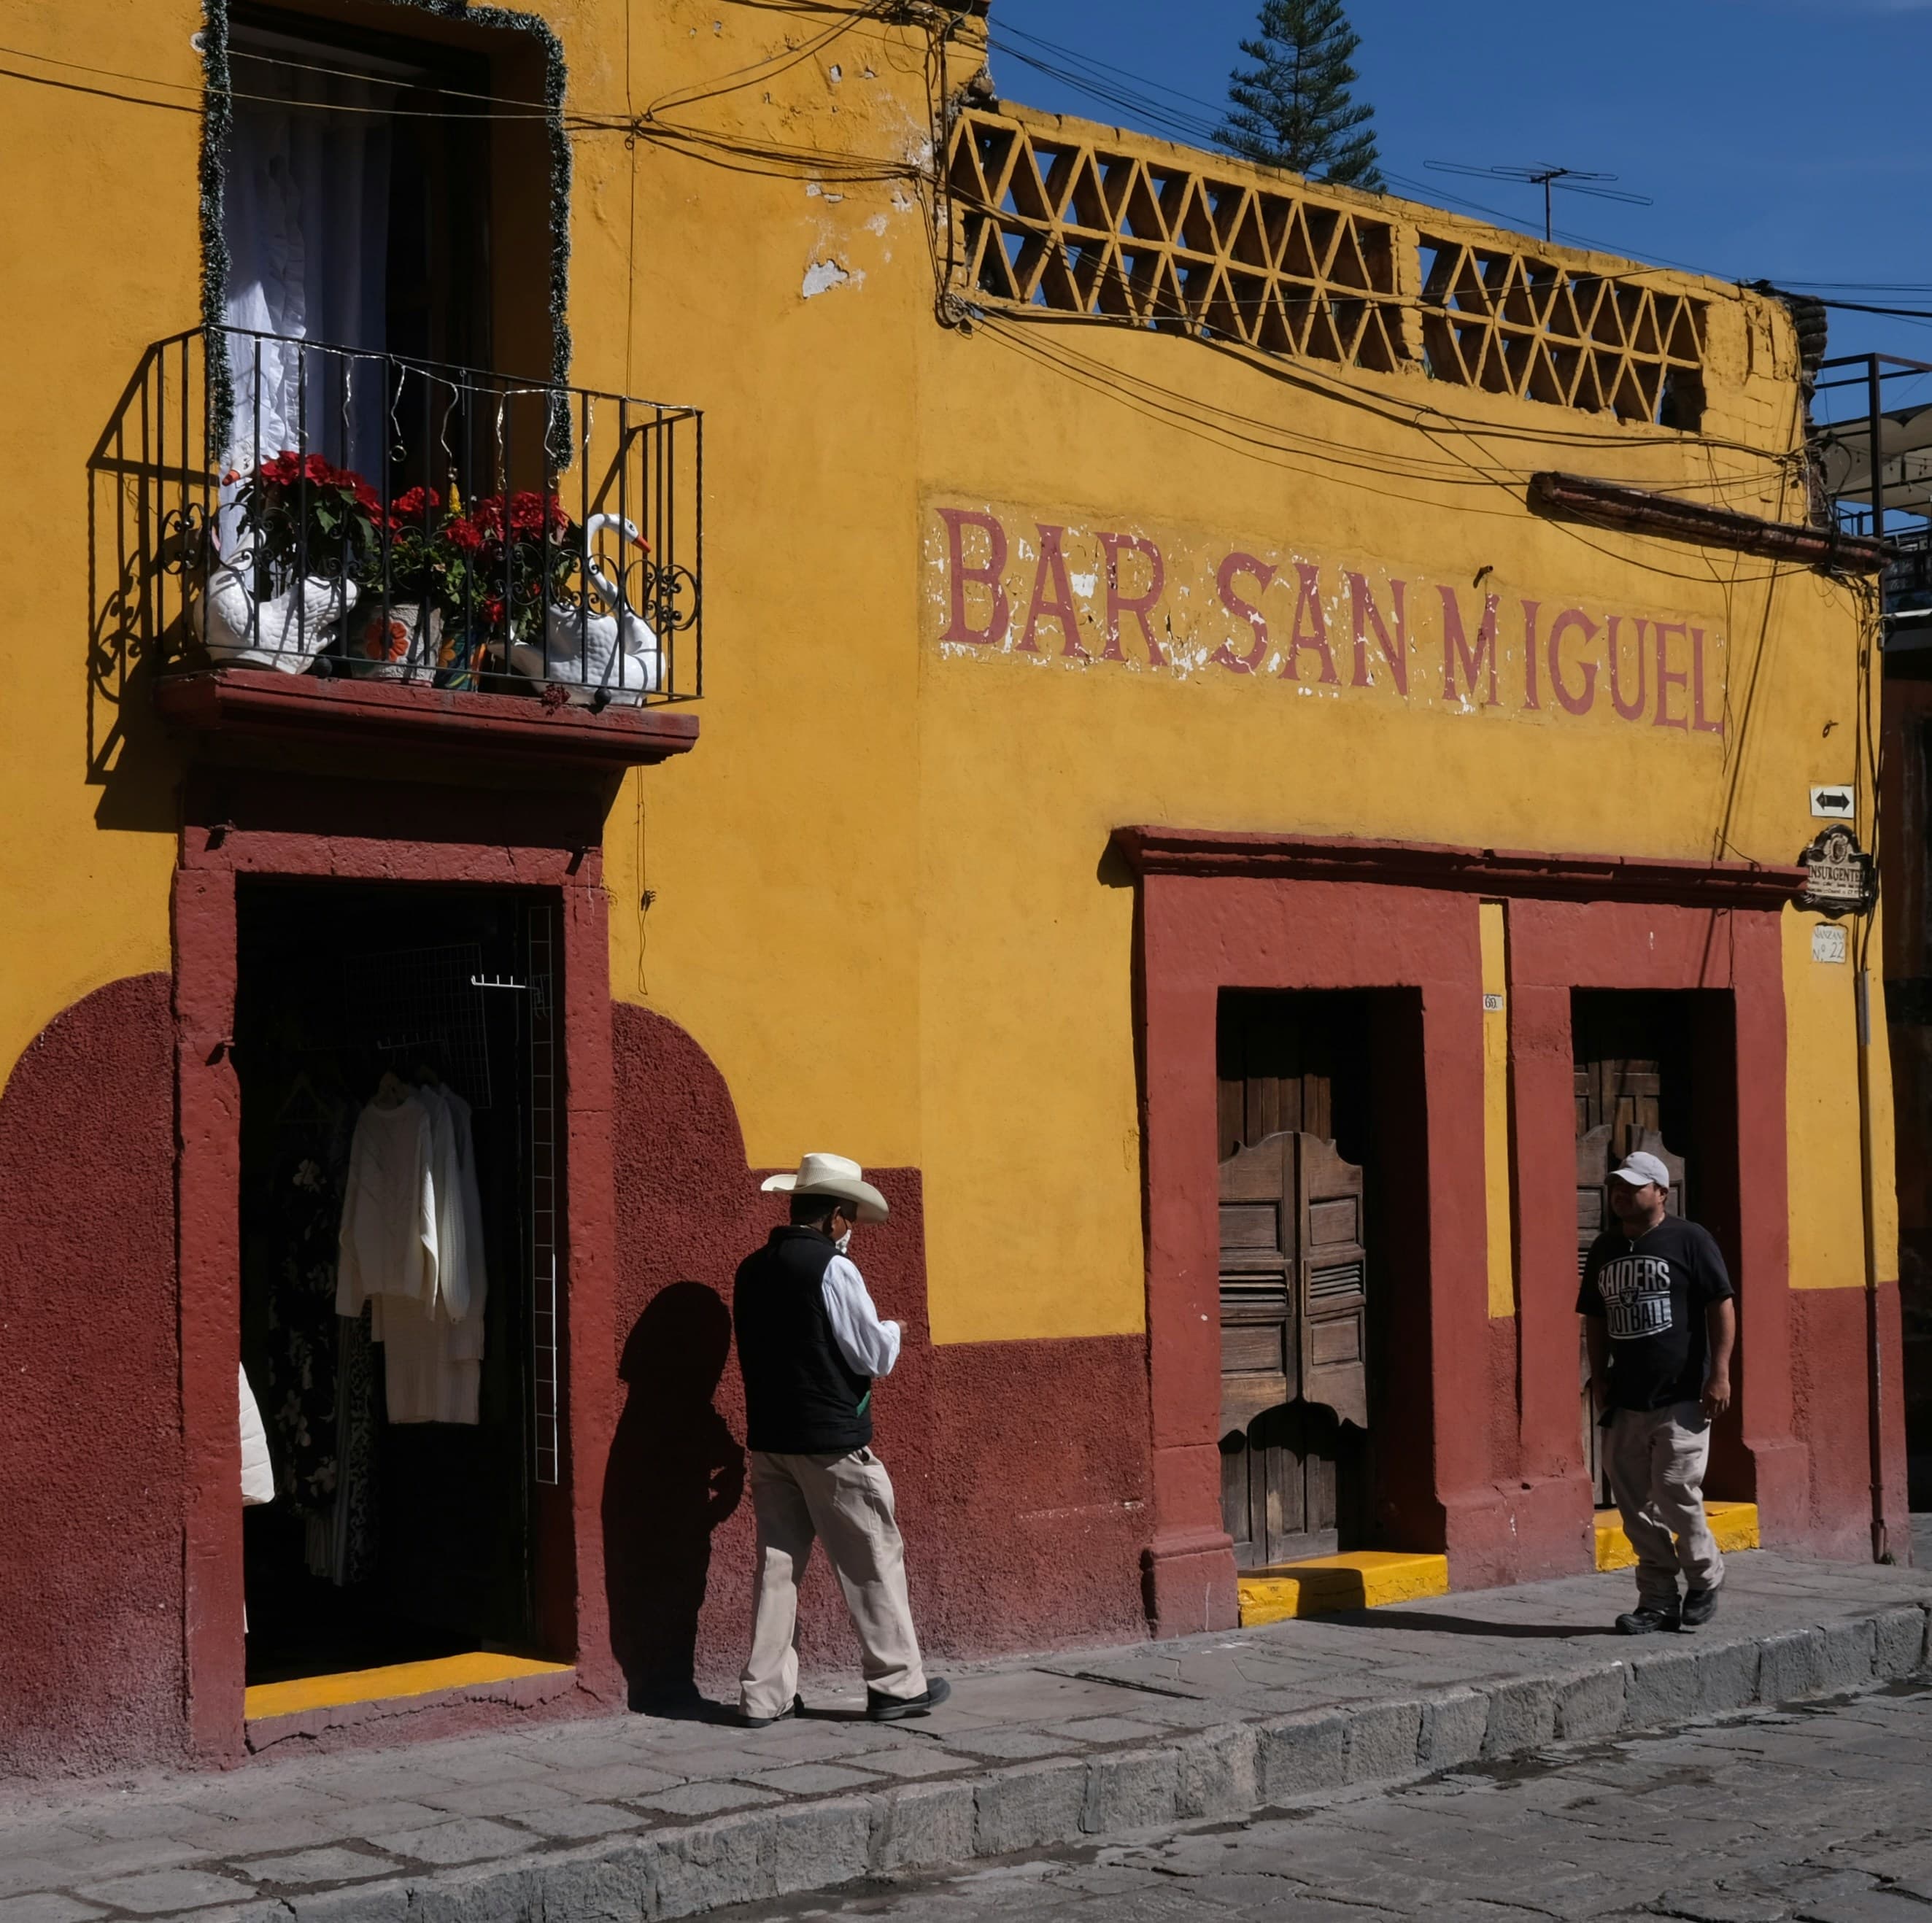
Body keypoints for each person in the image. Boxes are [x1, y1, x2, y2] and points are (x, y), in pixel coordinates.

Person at [732, 1152, 949, 1727]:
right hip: (831, 1445)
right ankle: (898, 1684)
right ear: (832, 1217)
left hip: (772, 1442)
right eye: (849, 1218)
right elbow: (870, 1355)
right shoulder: (832, 1268)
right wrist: (895, 1331)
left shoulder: (751, 1269)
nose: (850, 1230)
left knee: (778, 1570)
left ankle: (764, 1695)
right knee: (872, 1558)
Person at [1577, 1149, 1737, 1636]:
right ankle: (1657, 1600)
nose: (1621, 1194)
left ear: (1661, 1193)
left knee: (1674, 1490)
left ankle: (1706, 1577)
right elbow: (1596, 1315)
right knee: (1632, 1505)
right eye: (1616, 1187)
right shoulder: (1605, 1247)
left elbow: (1720, 1304)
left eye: (1633, 1186)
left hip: (1683, 1394)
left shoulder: (1690, 1239)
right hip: (1627, 1398)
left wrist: (1721, 1374)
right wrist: (1598, 1374)